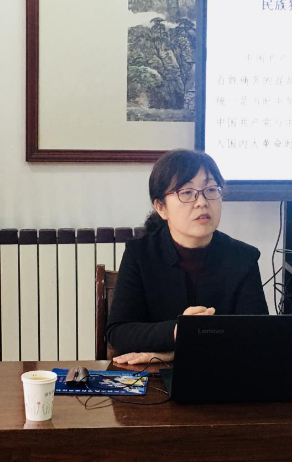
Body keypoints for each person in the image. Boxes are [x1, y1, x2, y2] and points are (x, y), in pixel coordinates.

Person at [106, 149, 269, 365]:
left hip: (223, 373)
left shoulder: (243, 257)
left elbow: (258, 336)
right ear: (161, 207)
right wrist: (177, 331)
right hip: (153, 378)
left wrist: (173, 353)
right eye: (187, 192)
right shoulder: (140, 254)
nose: (202, 202)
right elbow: (119, 333)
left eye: (211, 189)